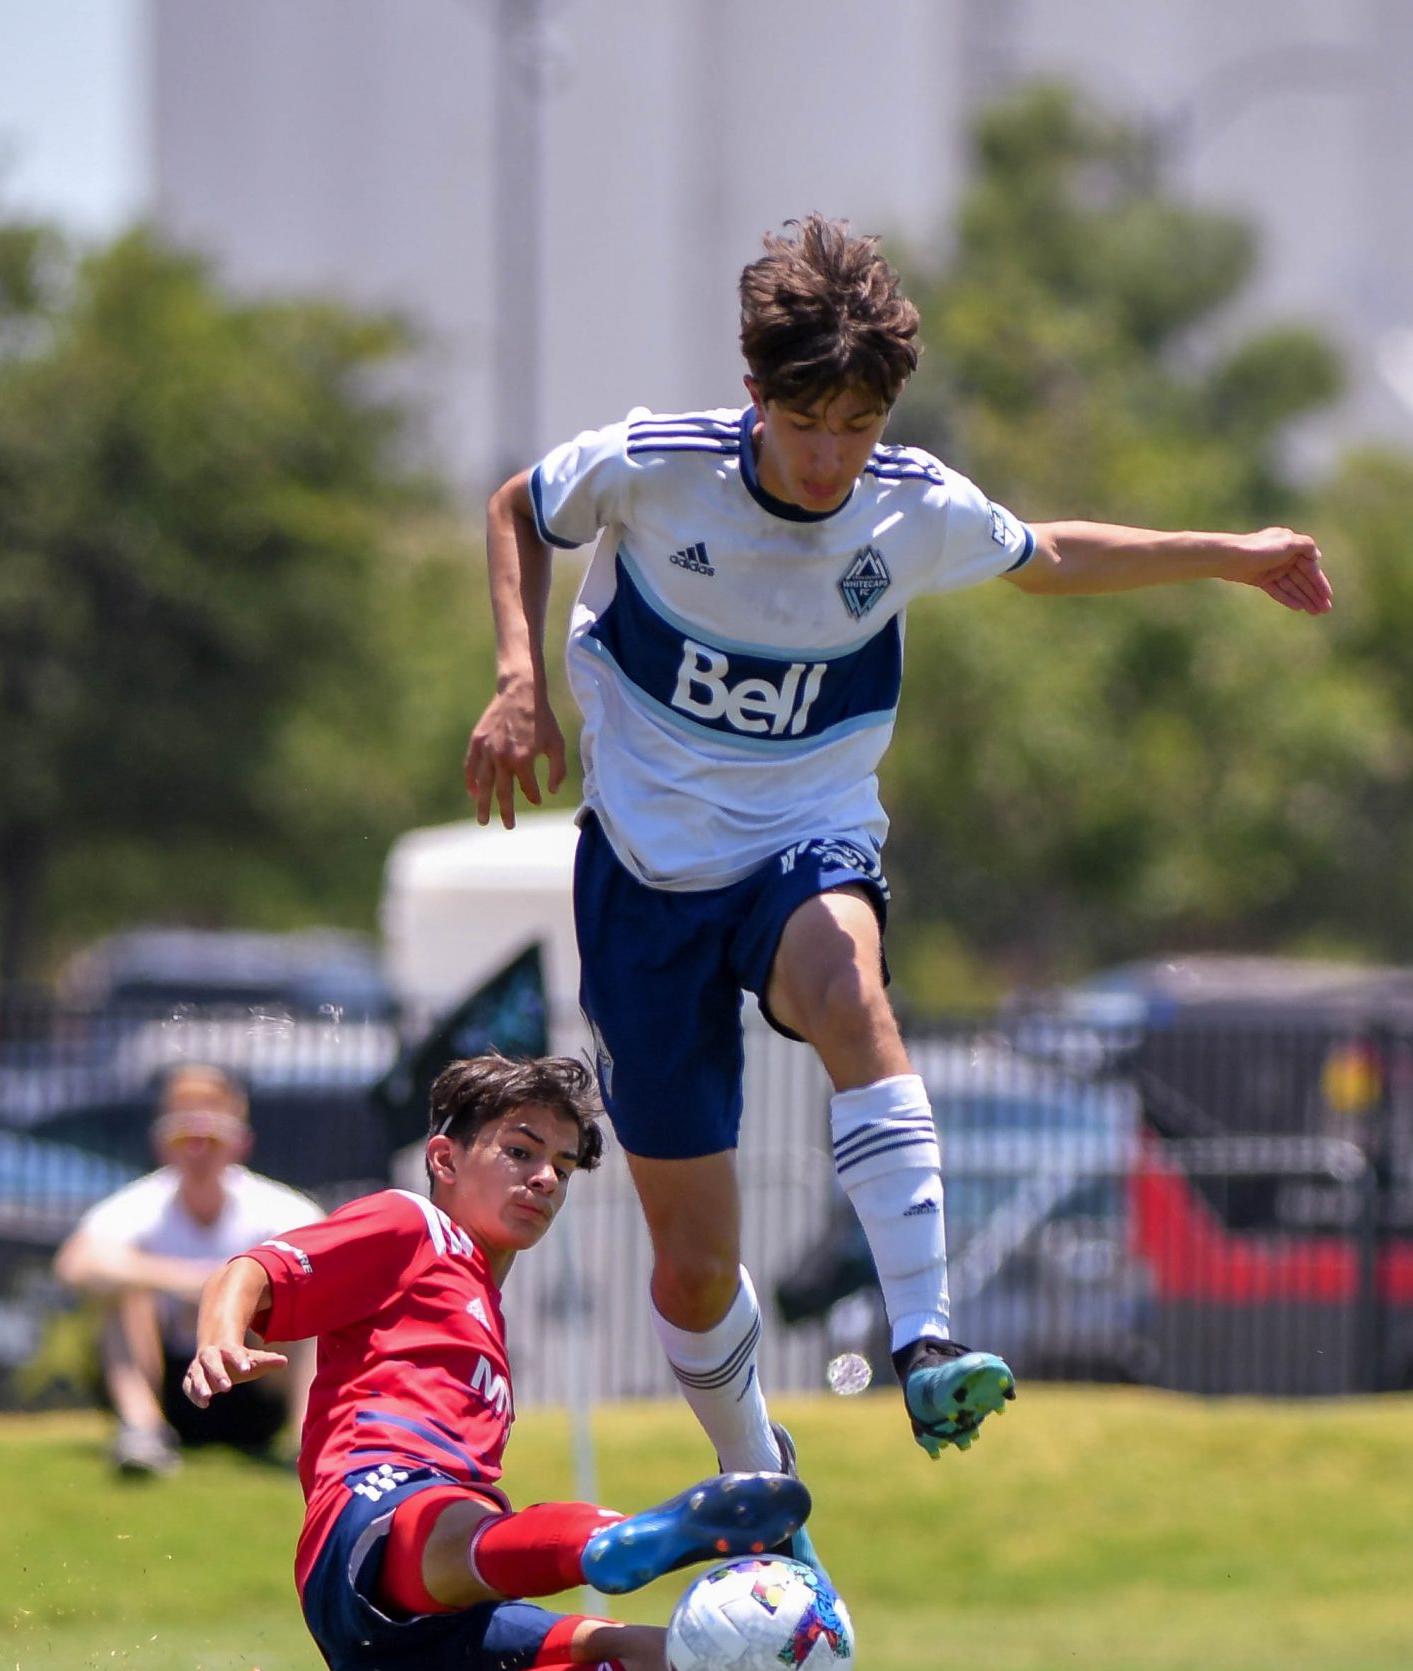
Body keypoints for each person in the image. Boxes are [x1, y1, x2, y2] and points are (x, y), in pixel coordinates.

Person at [463, 211, 1334, 1500]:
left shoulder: (909, 505)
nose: (829, 456)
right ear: (753, 392)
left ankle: (925, 1336)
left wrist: (1232, 555)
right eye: (804, 423)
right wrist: (516, 675)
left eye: (857, 427)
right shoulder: (655, 467)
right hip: (645, 876)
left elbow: (1047, 555)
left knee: (850, 986)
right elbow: (517, 508)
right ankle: (756, 1474)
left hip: (802, 838)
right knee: (694, 1267)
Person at [185, 1053, 808, 1671]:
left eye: (563, 1167)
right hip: (373, 1524)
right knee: (447, 1514)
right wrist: (219, 1339)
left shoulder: (484, 1309)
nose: (545, 1178)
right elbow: (251, 1269)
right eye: (520, 1151)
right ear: (445, 1159)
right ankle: (611, 1540)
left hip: (447, 1605)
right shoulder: (411, 1225)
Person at [54, 1063, 322, 1476]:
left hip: (254, 1385)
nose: (199, 1150)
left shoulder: (277, 1208)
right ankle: (141, 1431)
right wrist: (189, 1281)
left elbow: (325, 1272)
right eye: (187, 1137)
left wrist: (237, 1298)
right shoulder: (141, 1205)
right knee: (121, 1294)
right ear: (163, 1143)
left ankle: (310, 1440)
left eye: (211, 1138)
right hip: (168, 1387)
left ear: (240, 1143)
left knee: (305, 1307)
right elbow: (76, 1264)